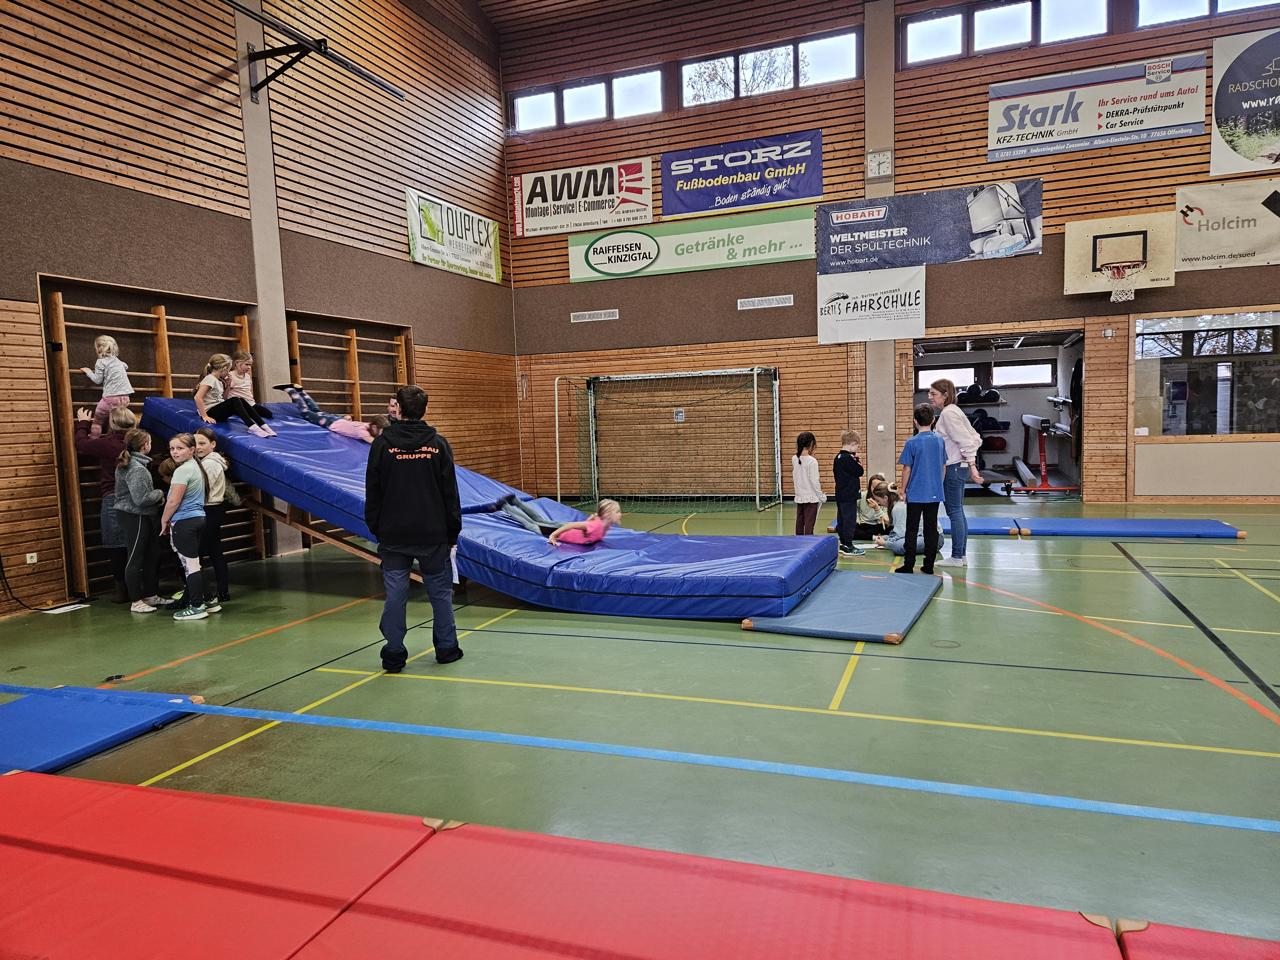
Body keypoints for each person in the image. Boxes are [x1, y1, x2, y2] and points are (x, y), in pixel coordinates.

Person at [365, 385, 463, 672]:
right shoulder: (438, 445)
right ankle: (446, 648)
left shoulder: (382, 445)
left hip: (394, 534)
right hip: (433, 534)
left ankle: (394, 653)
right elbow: (450, 494)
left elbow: (373, 491)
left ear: (398, 409)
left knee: (396, 595)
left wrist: (377, 527)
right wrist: (452, 532)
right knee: (440, 593)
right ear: (424, 409)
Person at [74, 404, 135, 601]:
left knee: (115, 545)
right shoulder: (137, 440)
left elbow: (81, 445)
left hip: (114, 496)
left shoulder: (108, 443)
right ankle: (139, 588)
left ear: (112, 423)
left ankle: (122, 590)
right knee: (135, 543)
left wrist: (83, 423)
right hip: (136, 497)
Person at [928, 378, 983, 568]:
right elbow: (975, 437)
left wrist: (972, 465)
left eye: (933, 394)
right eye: (929, 393)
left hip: (954, 467)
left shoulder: (948, 414)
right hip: (958, 465)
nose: (930, 397)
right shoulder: (954, 411)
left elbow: (967, 441)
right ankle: (961, 555)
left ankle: (957, 556)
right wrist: (967, 460)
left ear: (945, 395)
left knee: (954, 511)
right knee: (958, 511)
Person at [113, 428, 167, 613]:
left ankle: (151, 595)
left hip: (143, 515)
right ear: (145, 446)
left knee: (152, 555)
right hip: (134, 516)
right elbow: (141, 499)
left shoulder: (137, 464)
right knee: (135, 557)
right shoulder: (136, 468)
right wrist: (160, 493)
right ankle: (136, 601)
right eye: (150, 442)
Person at [161, 433, 210, 621]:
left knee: (190, 566)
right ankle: (209, 600)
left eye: (180, 448)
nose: (175, 452)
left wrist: (164, 520)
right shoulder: (195, 466)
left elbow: (173, 501)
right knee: (195, 564)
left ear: (192, 450)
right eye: (172, 448)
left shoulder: (182, 471)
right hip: (197, 519)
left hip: (185, 522)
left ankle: (197, 606)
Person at [896, 404, 946, 576]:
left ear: (914, 421)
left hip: (916, 493)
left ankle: (909, 564)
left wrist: (902, 490)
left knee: (912, 528)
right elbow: (943, 466)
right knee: (931, 528)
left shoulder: (912, 442)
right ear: (933, 420)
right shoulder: (939, 440)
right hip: (934, 492)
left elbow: (907, 469)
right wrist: (938, 484)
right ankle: (929, 565)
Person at [194, 428, 240, 605]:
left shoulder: (210, 464)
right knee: (215, 551)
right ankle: (222, 591)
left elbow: (203, 488)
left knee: (198, 552)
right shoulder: (209, 461)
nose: (198, 447)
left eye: (202, 443)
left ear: (212, 444)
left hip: (210, 509)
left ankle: (203, 592)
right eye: (195, 443)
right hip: (214, 509)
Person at [274, 384, 390, 442]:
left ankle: (301, 391)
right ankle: (291, 391)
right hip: (330, 423)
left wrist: (346, 419)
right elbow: (374, 443)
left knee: (316, 411)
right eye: (379, 431)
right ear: (374, 426)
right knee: (306, 413)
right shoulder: (363, 432)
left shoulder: (365, 425)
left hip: (336, 419)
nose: (379, 434)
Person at [195, 353, 276, 437]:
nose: (228, 373)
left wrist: (228, 385)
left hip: (217, 410)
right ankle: (252, 427)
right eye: (228, 370)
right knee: (235, 399)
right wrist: (204, 416)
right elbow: (198, 397)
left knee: (240, 399)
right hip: (210, 413)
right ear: (224, 368)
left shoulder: (219, 380)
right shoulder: (210, 379)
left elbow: (224, 398)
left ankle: (263, 425)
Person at [497, 494, 622, 545]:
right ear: (608, 514)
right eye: (617, 512)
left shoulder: (604, 523)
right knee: (531, 524)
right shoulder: (597, 525)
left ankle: (515, 501)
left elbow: (589, 527)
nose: (620, 514)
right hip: (559, 530)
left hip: (563, 527)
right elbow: (571, 525)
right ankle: (504, 505)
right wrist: (553, 536)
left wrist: (591, 518)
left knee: (538, 519)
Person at [79, 334, 134, 437]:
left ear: (98, 349)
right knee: (115, 422)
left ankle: (94, 440)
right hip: (125, 398)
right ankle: (113, 440)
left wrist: (88, 372)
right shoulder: (118, 361)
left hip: (111, 399)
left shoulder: (100, 362)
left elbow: (98, 380)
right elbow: (126, 366)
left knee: (97, 422)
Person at [832, 430, 865, 557]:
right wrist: (858, 461)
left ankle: (843, 543)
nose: (857, 449)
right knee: (849, 520)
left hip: (840, 494)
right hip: (849, 495)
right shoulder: (848, 458)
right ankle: (848, 545)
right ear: (853, 444)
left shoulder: (838, 457)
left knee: (842, 519)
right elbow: (859, 471)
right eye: (857, 446)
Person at [791, 431, 825, 536]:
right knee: (809, 524)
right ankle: (808, 542)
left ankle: (799, 541)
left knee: (800, 521)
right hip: (811, 498)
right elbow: (814, 481)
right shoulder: (812, 461)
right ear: (811, 444)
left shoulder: (794, 458)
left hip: (800, 496)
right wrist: (821, 495)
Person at [225, 350, 274, 421]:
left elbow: (248, 391)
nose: (249, 367)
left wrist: (252, 401)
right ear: (237, 363)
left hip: (250, 403)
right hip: (239, 406)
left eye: (250, 365)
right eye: (247, 364)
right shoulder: (230, 376)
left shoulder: (247, 376)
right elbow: (225, 394)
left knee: (269, 414)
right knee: (251, 415)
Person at [854, 475, 897, 541]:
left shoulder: (886, 499)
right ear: (869, 487)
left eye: (879, 487)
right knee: (850, 529)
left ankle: (875, 536)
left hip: (880, 524)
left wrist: (877, 508)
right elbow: (854, 508)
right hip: (864, 525)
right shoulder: (862, 495)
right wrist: (858, 520)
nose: (876, 490)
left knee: (892, 528)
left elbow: (888, 520)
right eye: (874, 487)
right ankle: (875, 537)